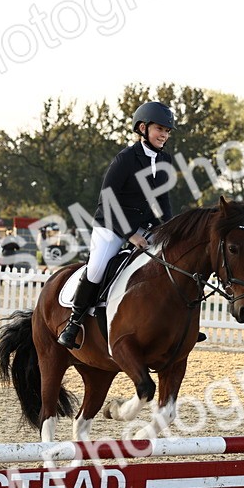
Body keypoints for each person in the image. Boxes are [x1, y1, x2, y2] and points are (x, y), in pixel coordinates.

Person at [58, 100, 176, 348]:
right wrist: (130, 234)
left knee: (170, 261)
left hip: (145, 227)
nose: (164, 135)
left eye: (167, 131)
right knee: (98, 267)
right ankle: (74, 322)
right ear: (142, 128)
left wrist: (171, 231)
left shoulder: (165, 161)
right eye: (159, 129)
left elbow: (163, 203)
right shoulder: (125, 159)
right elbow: (108, 198)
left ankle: (174, 323)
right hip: (111, 225)